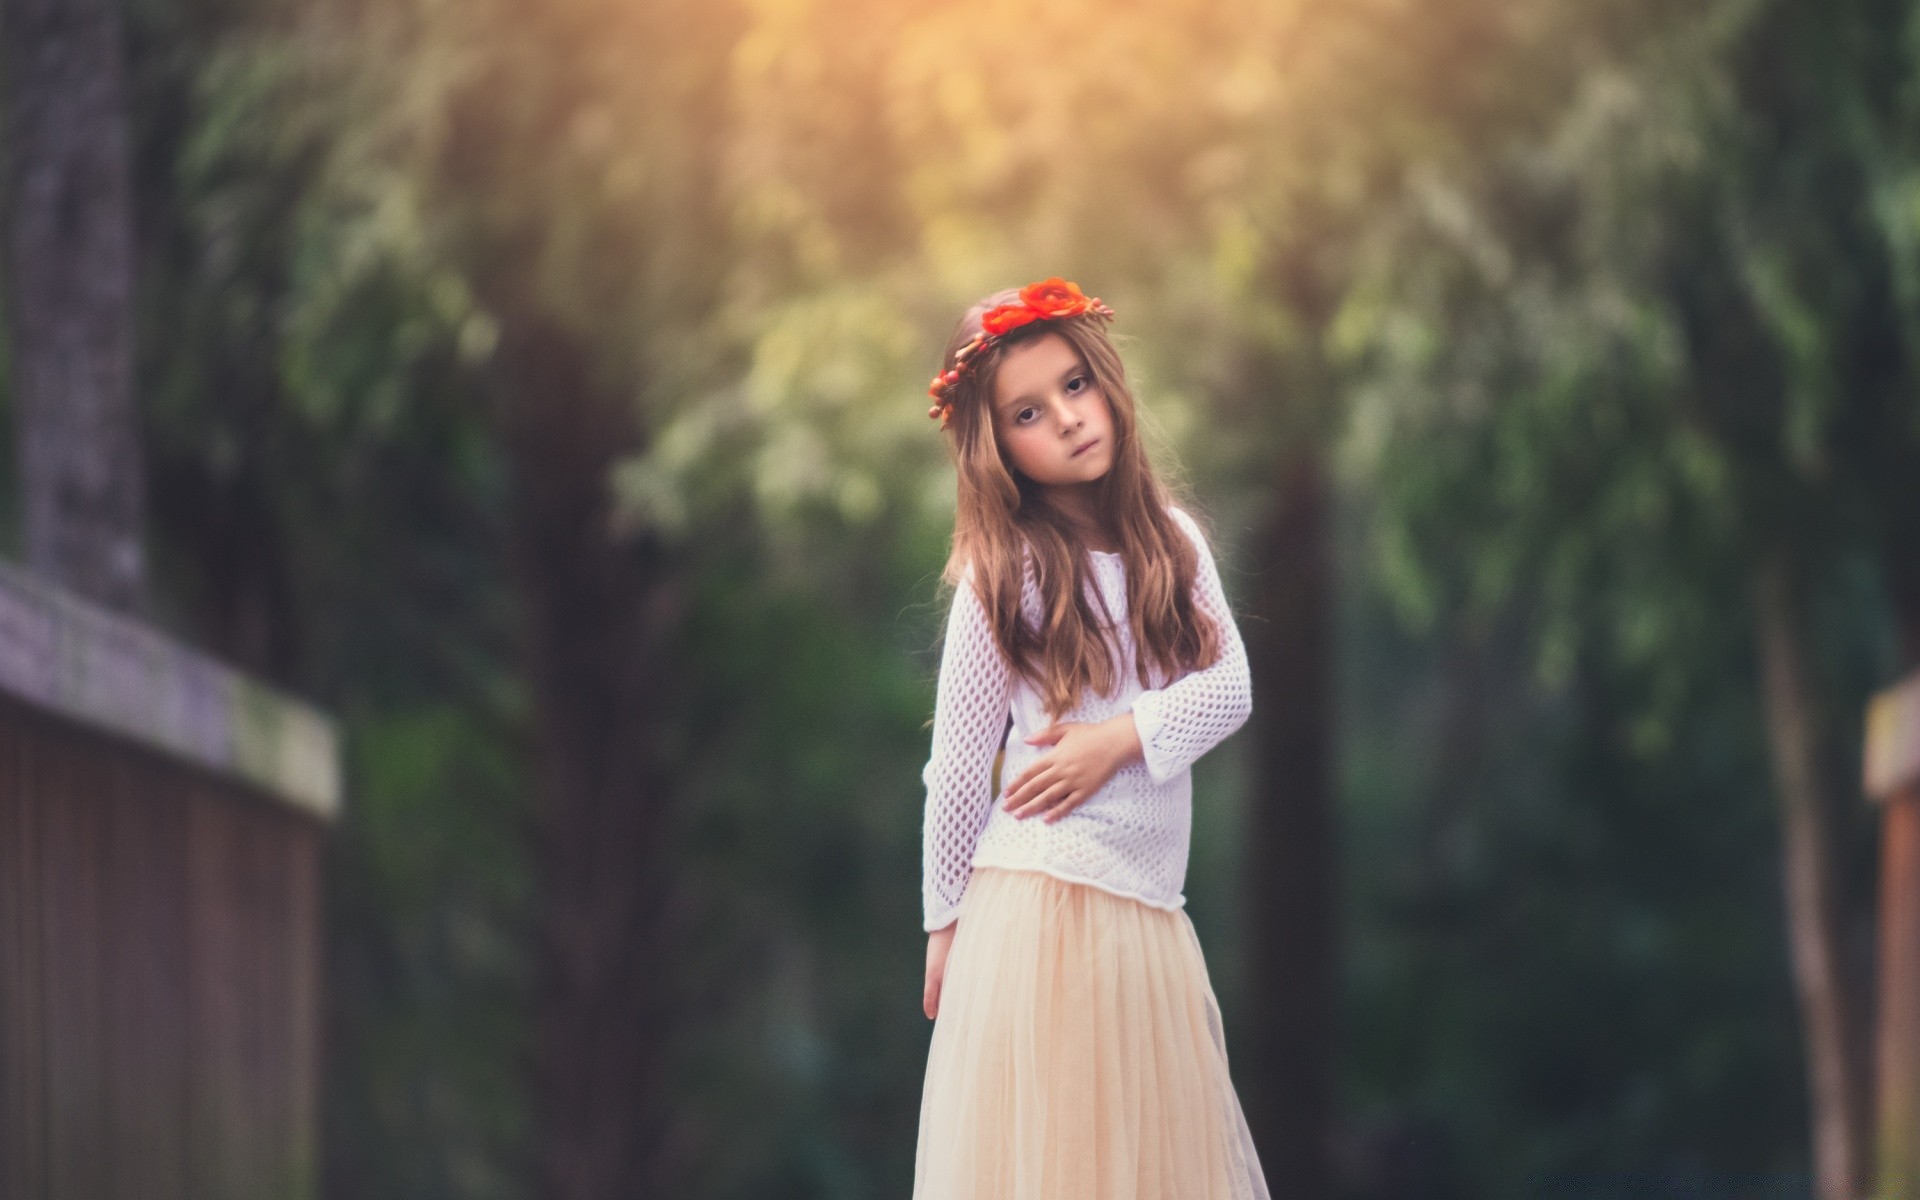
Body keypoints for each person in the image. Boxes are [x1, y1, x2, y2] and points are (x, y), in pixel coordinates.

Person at [912, 277, 1269, 1199]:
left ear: (1106, 381)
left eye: (1076, 385)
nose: (1069, 420)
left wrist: (1118, 740)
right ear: (1001, 451)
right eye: (1029, 413)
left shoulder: (1174, 545)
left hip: (1146, 917)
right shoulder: (1009, 573)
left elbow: (1229, 689)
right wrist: (944, 924)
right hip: (1040, 908)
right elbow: (956, 761)